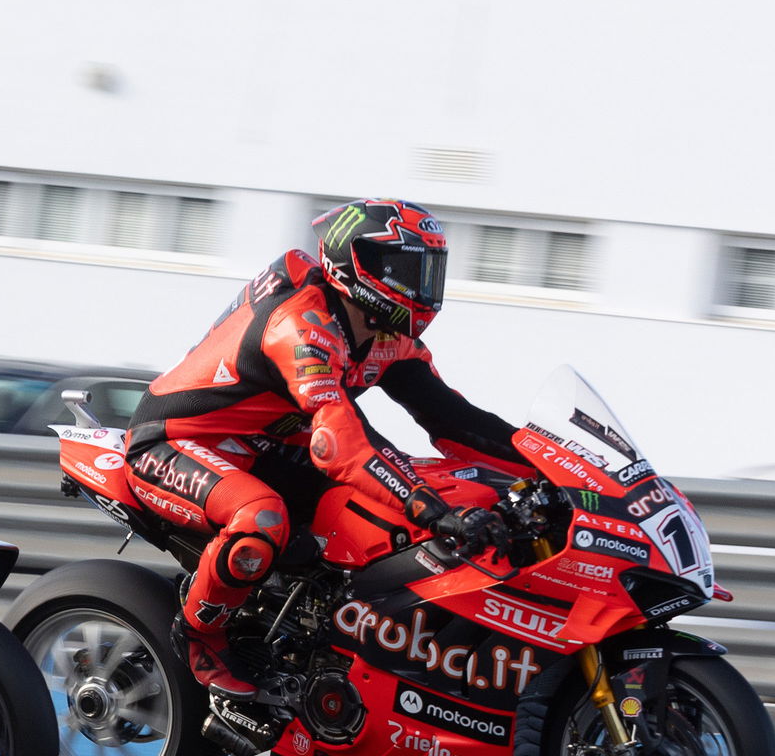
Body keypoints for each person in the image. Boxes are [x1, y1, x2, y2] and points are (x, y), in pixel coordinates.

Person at [125, 198, 530, 701]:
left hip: (266, 448)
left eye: (430, 271)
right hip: (176, 442)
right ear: (358, 263)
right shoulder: (301, 324)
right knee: (262, 519)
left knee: (373, 520)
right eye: (408, 269)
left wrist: (557, 468)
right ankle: (199, 638)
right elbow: (341, 442)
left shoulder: (387, 336)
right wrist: (433, 510)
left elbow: (454, 421)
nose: (424, 286)